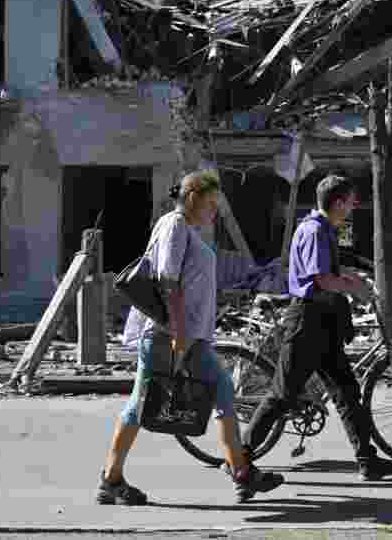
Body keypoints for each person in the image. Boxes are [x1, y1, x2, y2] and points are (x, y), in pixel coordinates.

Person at [98, 169, 284, 505]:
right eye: (212, 204)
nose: (214, 212)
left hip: (179, 333)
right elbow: (168, 281)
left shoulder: (185, 229)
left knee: (144, 403)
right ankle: (240, 471)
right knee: (193, 393)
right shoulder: (175, 225)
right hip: (169, 333)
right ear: (194, 197)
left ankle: (112, 479)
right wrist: (180, 333)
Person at [242, 174, 392, 481]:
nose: (353, 207)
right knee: (282, 394)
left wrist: (353, 279)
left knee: (346, 391)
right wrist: (355, 290)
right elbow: (322, 280)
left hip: (324, 321)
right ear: (338, 203)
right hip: (308, 321)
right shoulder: (315, 231)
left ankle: (367, 460)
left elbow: (329, 274)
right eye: (351, 202)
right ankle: (240, 457)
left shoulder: (324, 229)